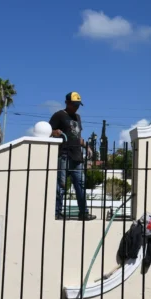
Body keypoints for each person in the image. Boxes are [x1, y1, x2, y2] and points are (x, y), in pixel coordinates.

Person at [50, 92, 96, 221]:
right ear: (67, 103)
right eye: (74, 104)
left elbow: (76, 136)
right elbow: (48, 130)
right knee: (61, 185)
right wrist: (55, 132)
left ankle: (84, 213)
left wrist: (87, 146)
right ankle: (57, 212)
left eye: (78, 105)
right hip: (64, 155)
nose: (76, 107)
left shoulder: (78, 117)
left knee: (80, 185)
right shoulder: (59, 115)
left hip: (77, 157)